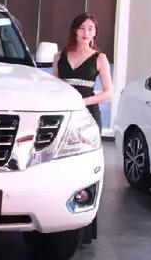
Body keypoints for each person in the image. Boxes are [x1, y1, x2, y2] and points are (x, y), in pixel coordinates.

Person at [52, 12, 113, 244]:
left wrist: (83, 101)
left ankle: (84, 229)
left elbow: (108, 92)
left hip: (88, 117)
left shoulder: (100, 58)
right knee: (60, 166)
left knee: (86, 169)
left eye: (90, 28)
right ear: (74, 30)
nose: (86, 32)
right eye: (82, 28)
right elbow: (54, 86)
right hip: (63, 117)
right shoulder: (60, 56)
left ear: (95, 33)